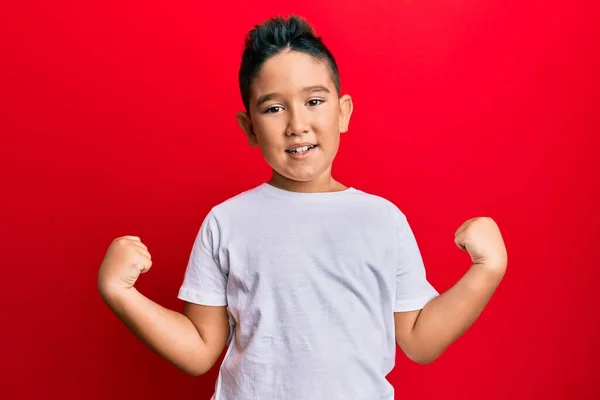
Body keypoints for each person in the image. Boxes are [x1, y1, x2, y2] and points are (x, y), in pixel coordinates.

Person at [97, 15, 507, 400]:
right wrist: (120, 292)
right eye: (274, 108)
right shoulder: (227, 222)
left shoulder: (382, 220)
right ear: (250, 128)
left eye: (314, 101)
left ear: (343, 112)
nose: (297, 124)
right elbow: (200, 349)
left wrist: (486, 270)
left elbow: (420, 340)